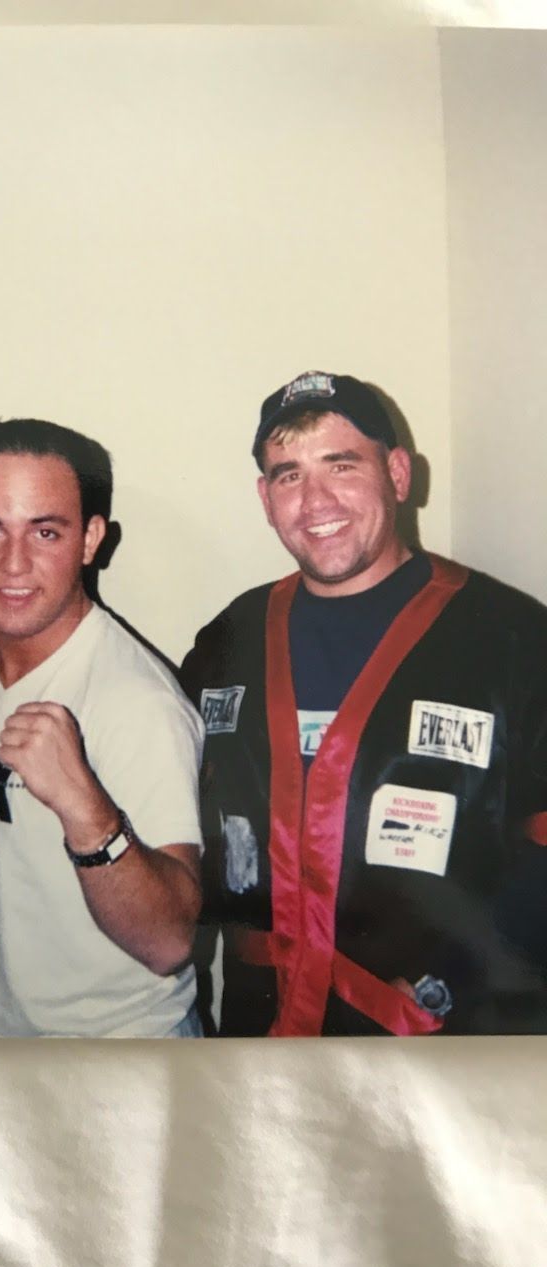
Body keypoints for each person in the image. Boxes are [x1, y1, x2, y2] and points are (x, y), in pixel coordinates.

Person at [180, 370, 547, 1036]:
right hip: (258, 1040)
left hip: (445, 1047)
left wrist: (446, 983)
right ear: (265, 498)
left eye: (341, 465)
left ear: (399, 474)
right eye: (288, 475)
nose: (315, 500)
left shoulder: (516, 642)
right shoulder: (228, 639)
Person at [0, 419, 204, 1036]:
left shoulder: (137, 701)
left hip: (109, 1073)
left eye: (45, 531)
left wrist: (84, 807)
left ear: (91, 538)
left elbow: (168, 941)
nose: (13, 564)